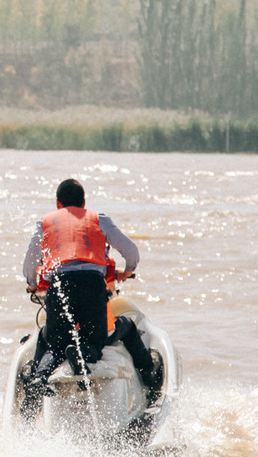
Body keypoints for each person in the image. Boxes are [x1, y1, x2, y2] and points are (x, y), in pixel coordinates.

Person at [19, 177, 159, 416]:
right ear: (84, 203)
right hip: (93, 287)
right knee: (97, 339)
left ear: (58, 204)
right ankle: (86, 354)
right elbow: (131, 251)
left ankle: (38, 378)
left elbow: (31, 262)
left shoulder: (44, 223)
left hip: (61, 286)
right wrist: (128, 270)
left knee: (54, 342)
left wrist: (32, 284)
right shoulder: (98, 219)